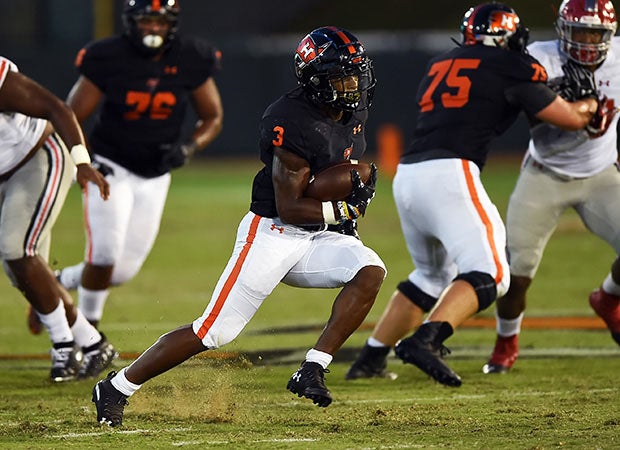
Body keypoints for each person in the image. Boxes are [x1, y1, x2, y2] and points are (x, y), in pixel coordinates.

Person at [90, 25, 384, 427]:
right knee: (213, 331)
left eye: (356, 74)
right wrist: (344, 211)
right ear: (315, 80)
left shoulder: (353, 109)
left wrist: (348, 205)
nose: (353, 85)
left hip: (318, 236)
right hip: (273, 233)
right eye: (342, 77)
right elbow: (290, 206)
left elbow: (336, 173)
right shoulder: (290, 119)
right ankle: (116, 387)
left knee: (369, 271)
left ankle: (312, 368)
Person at [345, 2, 600, 386]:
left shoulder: (440, 63)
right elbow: (570, 119)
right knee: (494, 274)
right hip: (451, 172)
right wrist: (588, 104)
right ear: (506, 39)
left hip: (410, 175)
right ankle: (426, 340)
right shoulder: (510, 64)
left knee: (432, 276)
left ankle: (370, 358)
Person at [42, 0, 224, 331]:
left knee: (123, 270)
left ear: (172, 24)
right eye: (146, 21)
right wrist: (84, 160)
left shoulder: (191, 55)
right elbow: (72, 114)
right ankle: (88, 335)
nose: (153, 28)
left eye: (160, 21)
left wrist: (189, 146)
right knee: (104, 256)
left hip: (155, 172)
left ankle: (54, 283)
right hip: (109, 165)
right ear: (131, 23)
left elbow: (212, 117)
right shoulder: (108, 55)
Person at [483, 0, 620, 374]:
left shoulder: (618, 58)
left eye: (596, 33)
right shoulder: (539, 58)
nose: (588, 41)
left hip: (601, 175)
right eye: (580, 32)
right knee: (517, 271)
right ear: (562, 29)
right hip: (544, 173)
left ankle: (608, 299)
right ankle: (505, 341)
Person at [0, 55, 117, 382]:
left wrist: (81, 161)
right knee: (20, 269)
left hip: (37, 156)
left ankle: (65, 346)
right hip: (4, 171)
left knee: (16, 248)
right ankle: (92, 344)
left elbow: (58, 108)